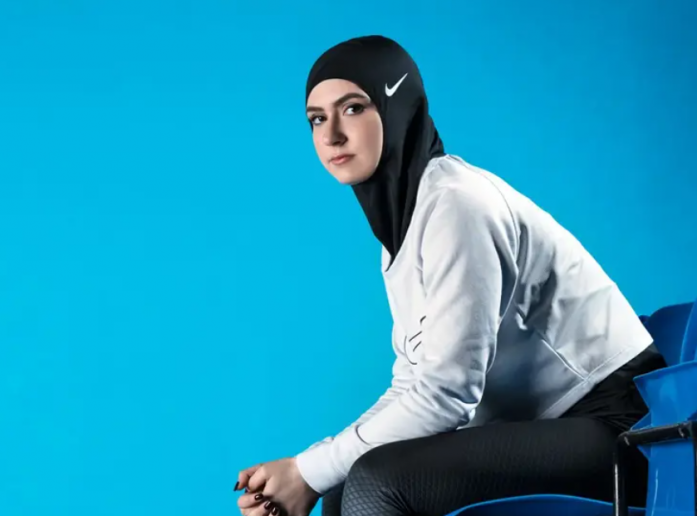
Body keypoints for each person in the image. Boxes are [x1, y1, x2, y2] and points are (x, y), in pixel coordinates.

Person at [234, 35, 665, 516]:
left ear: (397, 108)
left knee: (376, 484)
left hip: (625, 432)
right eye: (317, 119)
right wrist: (311, 471)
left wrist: (308, 472)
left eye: (353, 108)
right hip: (545, 426)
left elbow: (445, 395)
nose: (331, 135)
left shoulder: (458, 206)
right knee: (346, 482)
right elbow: (413, 382)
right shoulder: (404, 226)